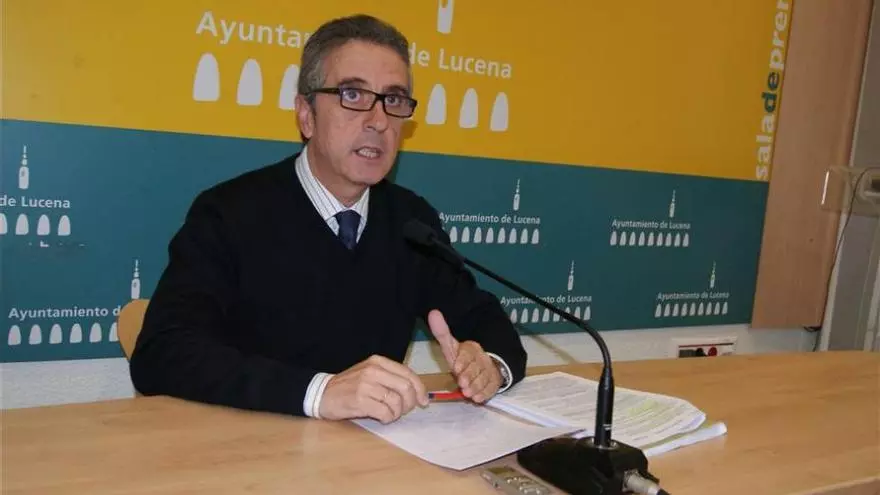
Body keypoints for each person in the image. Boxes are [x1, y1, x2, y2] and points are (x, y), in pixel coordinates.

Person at [129, 14, 527, 424]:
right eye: (353, 95)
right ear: (306, 114)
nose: (378, 121)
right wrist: (319, 393)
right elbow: (162, 351)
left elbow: (484, 320)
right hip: (251, 447)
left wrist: (488, 365)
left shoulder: (411, 220)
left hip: (373, 450)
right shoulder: (229, 212)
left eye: (393, 100)